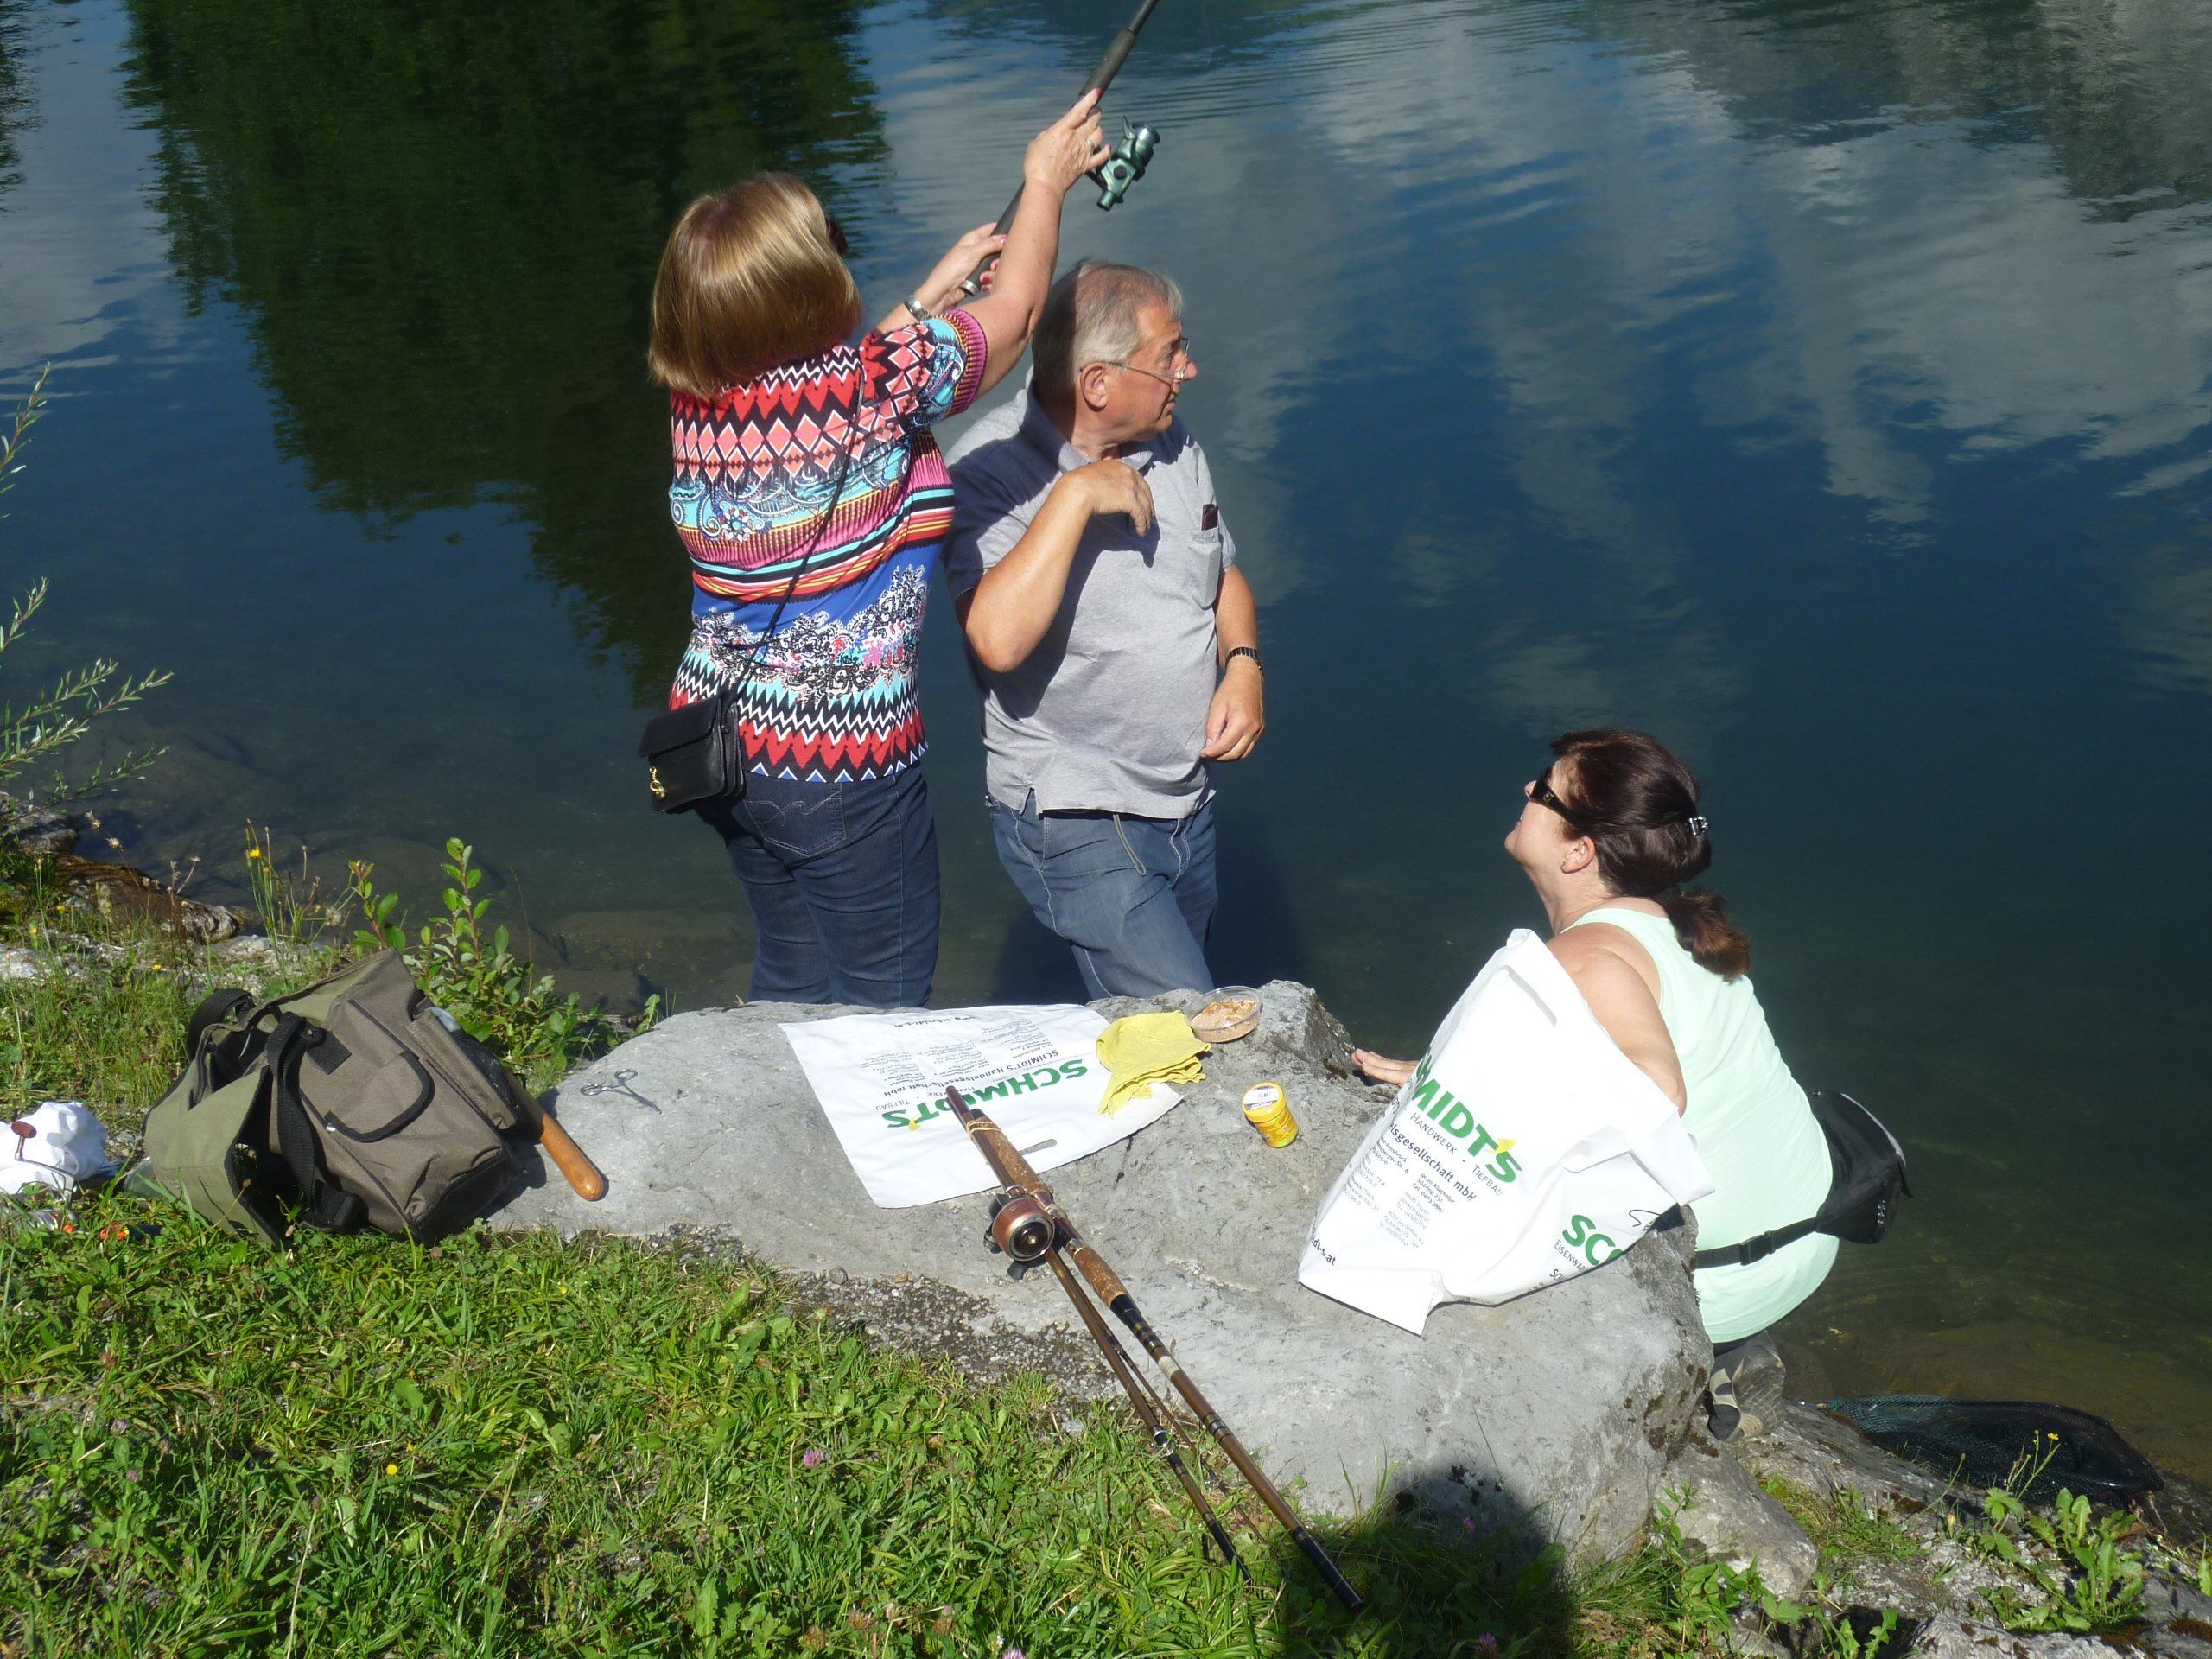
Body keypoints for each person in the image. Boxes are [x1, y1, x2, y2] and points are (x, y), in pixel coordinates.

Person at [645, 93, 1110, 1007]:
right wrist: (1045, 181)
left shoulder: (697, 407)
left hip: (720, 743)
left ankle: (763, 1092)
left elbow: (831, 386)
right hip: (838, 764)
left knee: (792, 970)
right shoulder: (877, 388)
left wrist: (927, 299)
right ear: (809, 286)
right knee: (883, 1003)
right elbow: (1017, 315)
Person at [1351, 728, 1835, 1438]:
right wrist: (1454, 1073)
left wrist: (1468, 1104)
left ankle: (1703, 1357)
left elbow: (1657, 1093)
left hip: (1723, 1284)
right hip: (1806, 1242)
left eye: (1545, 792)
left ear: (1578, 852)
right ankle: (1735, 1355)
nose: (1527, 790)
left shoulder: (1587, 956)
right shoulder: (1673, 926)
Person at [944, 262, 1264, 998]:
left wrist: (1244, 665)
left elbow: (1223, 574)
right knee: (1186, 1025)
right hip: (1076, 811)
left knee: (1177, 1015)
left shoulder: (1173, 442)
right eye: (1169, 356)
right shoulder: (988, 475)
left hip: (1186, 801)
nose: (1188, 370)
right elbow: (995, 641)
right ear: (1097, 383)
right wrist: (1075, 495)